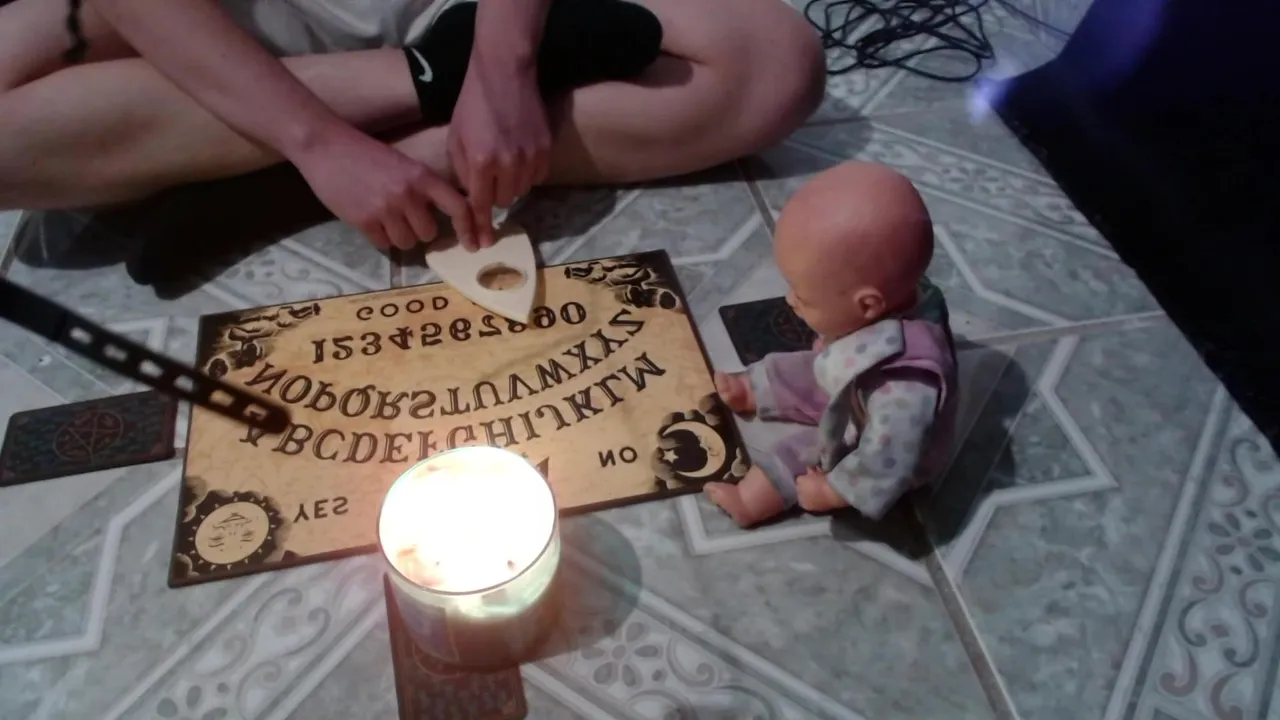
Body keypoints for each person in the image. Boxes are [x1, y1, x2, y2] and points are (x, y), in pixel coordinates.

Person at [0, 0, 825, 252]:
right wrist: (318, 143)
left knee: (775, 62)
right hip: (230, 21)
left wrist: (504, 59)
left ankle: (242, 180)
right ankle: (423, 81)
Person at [702, 162, 960, 527]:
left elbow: (886, 460)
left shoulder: (905, 388)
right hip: (856, 384)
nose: (789, 300)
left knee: (803, 453)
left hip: (877, 438)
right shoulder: (896, 295)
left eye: (803, 297)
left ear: (867, 306)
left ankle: (750, 500)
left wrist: (832, 492)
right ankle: (752, 389)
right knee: (801, 370)